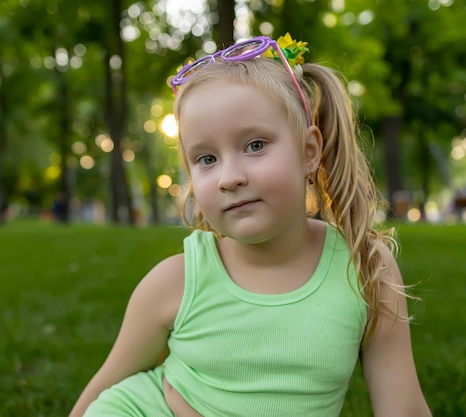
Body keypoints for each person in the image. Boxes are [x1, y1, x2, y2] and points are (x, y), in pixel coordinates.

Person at [70, 33, 431, 417]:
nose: (229, 177)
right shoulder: (176, 281)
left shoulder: (364, 268)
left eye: (255, 145)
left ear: (309, 152)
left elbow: (403, 407)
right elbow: (105, 386)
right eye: (206, 159)